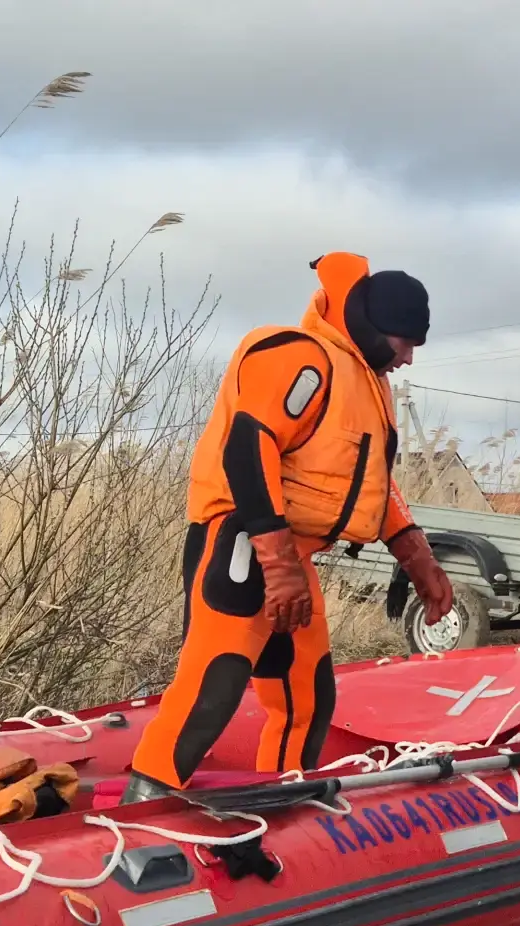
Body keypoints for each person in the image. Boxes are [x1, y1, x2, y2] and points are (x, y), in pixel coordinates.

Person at [124, 252, 456, 801]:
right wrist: (276, 564)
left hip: (296, 559)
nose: (409, 359)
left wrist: (419, 559)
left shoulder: (370, 388)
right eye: (406, 343)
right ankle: (145, 804)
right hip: (240, 542)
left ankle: (283, 798)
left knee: (307, 697)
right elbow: (248, 446)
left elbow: (374, 484)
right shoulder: (300, 358)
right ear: (377, 328)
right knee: (214, 686)